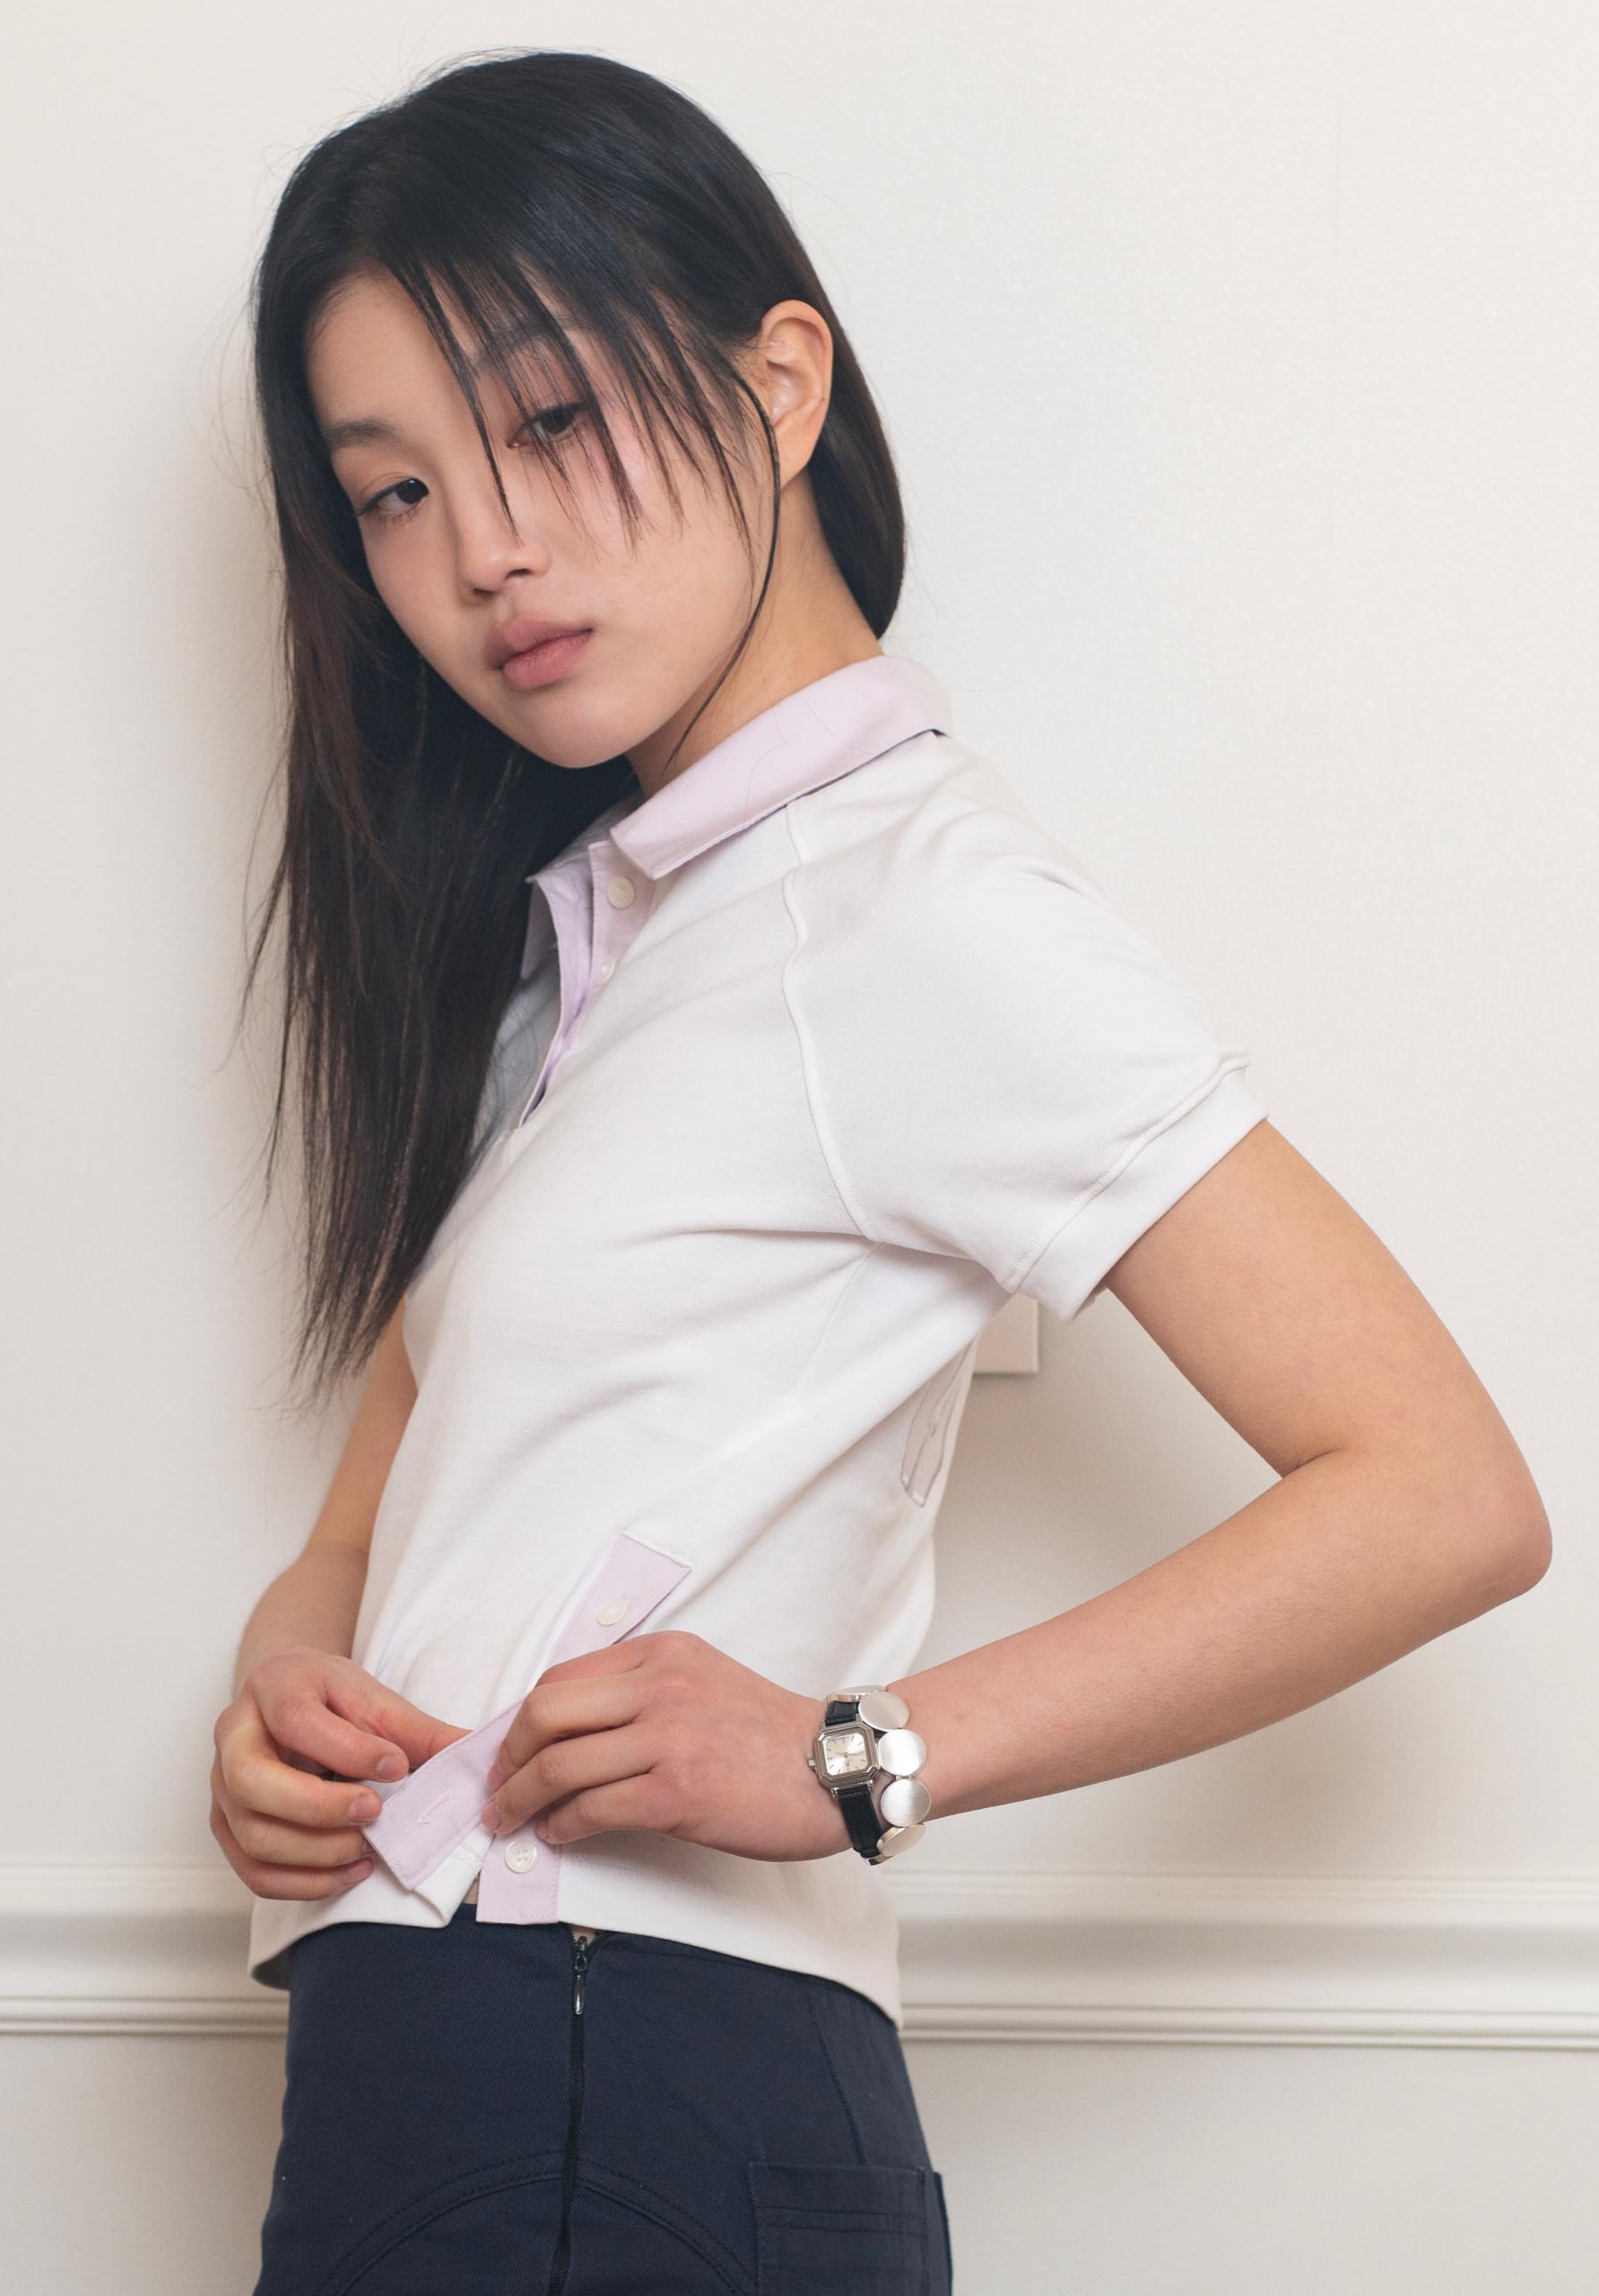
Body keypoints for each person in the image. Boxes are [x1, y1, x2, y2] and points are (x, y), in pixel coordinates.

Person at [209, 47, 1552, 2295]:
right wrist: (289, 1671)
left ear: (779, 385)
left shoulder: (917, 911)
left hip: (606, 2068)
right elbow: (398, 1480)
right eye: (396, 493)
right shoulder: (603, 944)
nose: (483, 551)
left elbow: (1442, 1490)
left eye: (549, 420)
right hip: (460, 2057)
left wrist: (858, 1754)